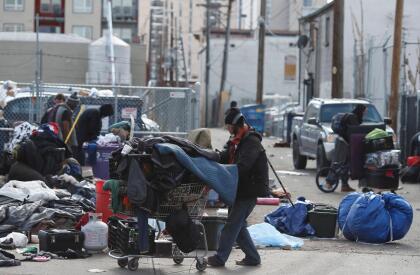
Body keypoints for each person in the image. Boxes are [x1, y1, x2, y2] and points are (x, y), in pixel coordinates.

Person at [207, 107, 269, 267]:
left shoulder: (251, 142)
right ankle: (253, 257)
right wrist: (209, 157)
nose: (228, 129)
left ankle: (220, 258)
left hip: (248, 191)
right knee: (239, 226)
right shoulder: (236, 140)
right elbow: (224, 155)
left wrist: (222, 173)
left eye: (229, 126)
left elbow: (243, 167)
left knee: (231, 226)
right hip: (237, 190)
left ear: (236, 125)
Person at [326, 104, 367, 192]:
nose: (364, 113)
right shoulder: (353, 118)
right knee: (338, 162)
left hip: (345, 142)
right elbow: (354, 131)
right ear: (360, 110)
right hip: (342, 142)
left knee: (346, 164)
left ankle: (344, 185)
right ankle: (329, 182)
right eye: (364, 111)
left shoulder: (354, 116)